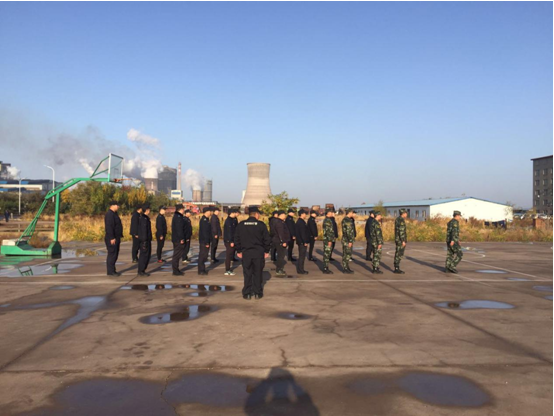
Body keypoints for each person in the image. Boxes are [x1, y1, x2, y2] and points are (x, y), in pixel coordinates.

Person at [234, 206, 271, 300]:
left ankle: (247, 293)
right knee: (258, 273)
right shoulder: (261, 225)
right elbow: (267, 239)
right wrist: (266, 250)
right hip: (258, 253)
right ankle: (257, 292)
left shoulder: (241, 225)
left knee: (247, 273)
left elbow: (236, 238)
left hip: (246, 253)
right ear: (256, 214)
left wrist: (239, 250)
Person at [104, 201, 123, 276]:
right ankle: (110, 271)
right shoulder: (109, 215)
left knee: (115, 254)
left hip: (116, 237)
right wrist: (111, 237)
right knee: (112, 254)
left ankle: (112, 270)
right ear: (112, 205)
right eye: (117, 205)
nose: (118, 207)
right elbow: (109, 227)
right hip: (112, 238)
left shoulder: (114, 214)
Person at [273, 210, 290, 277]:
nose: (285, 216)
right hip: (280, 242)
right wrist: (283, 241)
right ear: (281, 215)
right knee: (280, 256)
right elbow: (281, 233)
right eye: (284, 214)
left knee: (281, 256)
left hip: (279, 241)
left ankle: (280, 268)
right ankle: (279, 269)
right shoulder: (279, 223)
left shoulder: (281, 222)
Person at [137, 204, 152, 277]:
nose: (150, 211)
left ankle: (143, 270)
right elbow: (144, 231)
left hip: (147, 239)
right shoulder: (143, 219)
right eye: (149, 209)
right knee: (144, 256)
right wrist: (144, 241)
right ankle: (141, 270)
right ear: (146, 210)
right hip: (144, 240)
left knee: (147, 256)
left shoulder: (146, 218)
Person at [171, 204, 187, 276]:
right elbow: (179, 229)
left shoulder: (178, 216)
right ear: (180, 209)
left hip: (177, 239)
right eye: (183, 209)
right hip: (178, 239)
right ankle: (175, 270)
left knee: (177, 255)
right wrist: (181, 238)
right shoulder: (178, 217)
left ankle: (176, 269)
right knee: (177, 255)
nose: (184, 210)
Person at [198, 206, 213, 275]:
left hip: (206, 241)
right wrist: (207, 242)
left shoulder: (206, 220)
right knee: (203, 255)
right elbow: (205, 232)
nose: (211, 212)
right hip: (204, 241)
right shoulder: (204, 220)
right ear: (206, 212)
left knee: (204, 255)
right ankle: (201, 270)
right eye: (210, 211)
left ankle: (202, 269)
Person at [223, 209, 239, 275]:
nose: (236, 214)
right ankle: (227, 270)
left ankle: (228, 269)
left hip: (233, 240)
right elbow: (229, 232)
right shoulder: (228, 221)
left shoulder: (234, 219)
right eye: (235, 213)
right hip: (229, 241)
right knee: (228, 255)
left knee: (231, 253)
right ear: (232, 213)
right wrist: (231, 241)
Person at [295, 209, 310, 275]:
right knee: (302, 256)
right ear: (301, 214)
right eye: (304, 214)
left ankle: (300, 269)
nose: (305, 215)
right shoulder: (301, 222)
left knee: (302, 256)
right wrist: (305, 241)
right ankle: (301, 270)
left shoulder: (300, 221)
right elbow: (302, 233)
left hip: (300, 241)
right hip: (302, 242)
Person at [342, 209, 356, 274]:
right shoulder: (347, 220)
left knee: (347, 254)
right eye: (352, 213)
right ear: (349, 213)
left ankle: (346, 267)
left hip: (346, 239)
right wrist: (350, 241)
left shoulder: (346, 220)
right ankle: (345, 268)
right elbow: (348, 232)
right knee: (346, 254)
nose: (353, 214)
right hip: (347, 240)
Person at [322, 209, 336, 274]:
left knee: (327, 254)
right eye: (331, 212)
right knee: (327, 254)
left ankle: (326, 267)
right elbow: (328, 231)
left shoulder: (328, 220)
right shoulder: (327, 221)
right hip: (327, 240)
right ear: (328, 213)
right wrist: (329, 240)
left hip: (328, 239)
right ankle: (325, 268)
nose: (332, 214)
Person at [394, 209, 408, 274]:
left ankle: (396, 267)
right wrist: (403, 241)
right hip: (400, 240)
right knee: (399, 253)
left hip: (398, 239)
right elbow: (401, 231)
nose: (406, 214)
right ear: (403, 213)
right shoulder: (401, 220)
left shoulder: (397, 219)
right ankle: (396, 268)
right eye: (406, 213)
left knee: (398, 253)